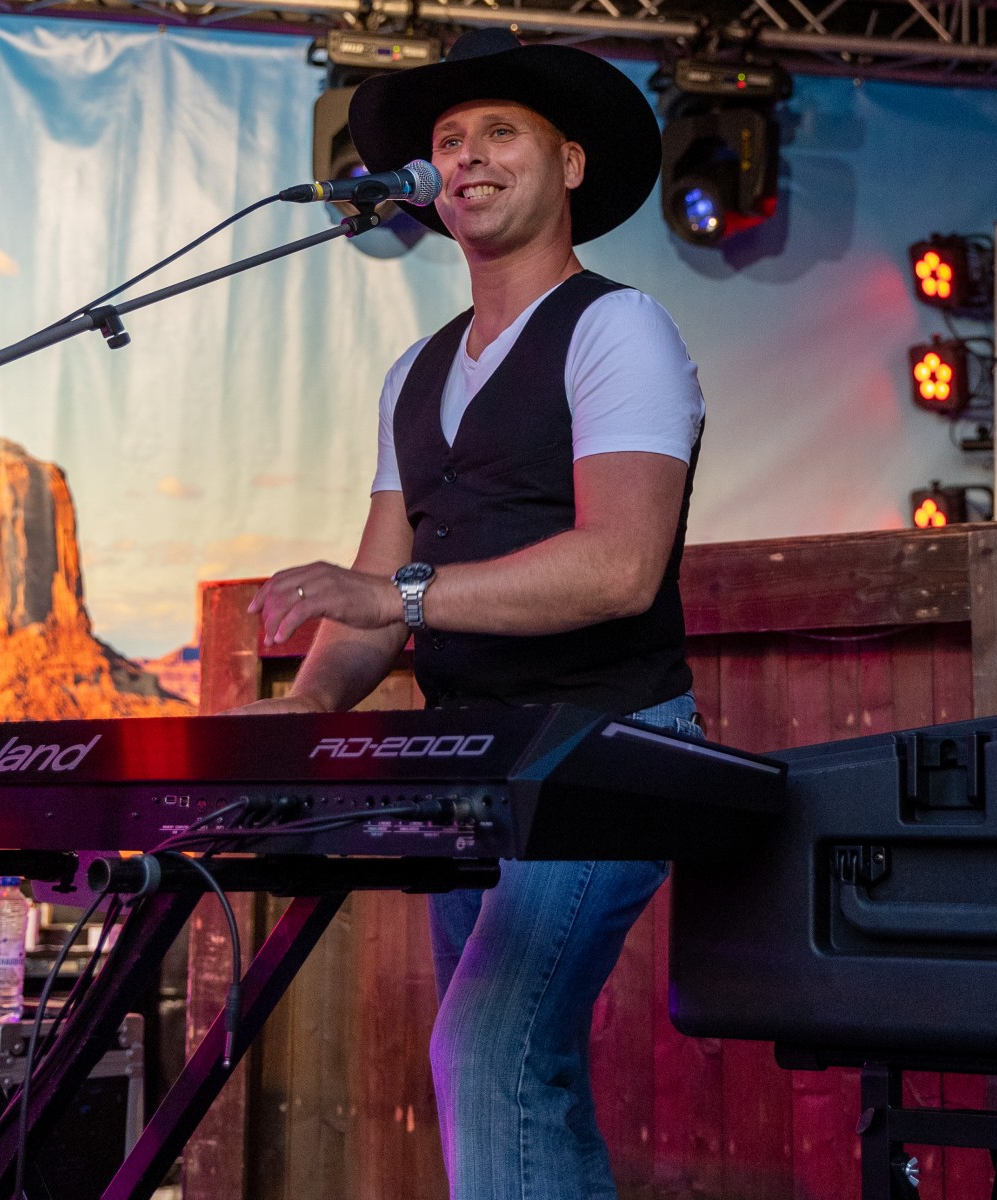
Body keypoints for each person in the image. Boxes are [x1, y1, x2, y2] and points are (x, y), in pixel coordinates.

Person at [231, 28, 706, 1199]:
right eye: (449, 141)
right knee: (515, 1067)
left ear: (571, 165)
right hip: (472, 765)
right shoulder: (415, 370)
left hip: (606, 749)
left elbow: (619, 569)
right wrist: (303, 715)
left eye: (501, 132)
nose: (468, 157)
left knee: (488, 1052)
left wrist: (396, 595)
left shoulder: (618, 327)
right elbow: (376, 592)